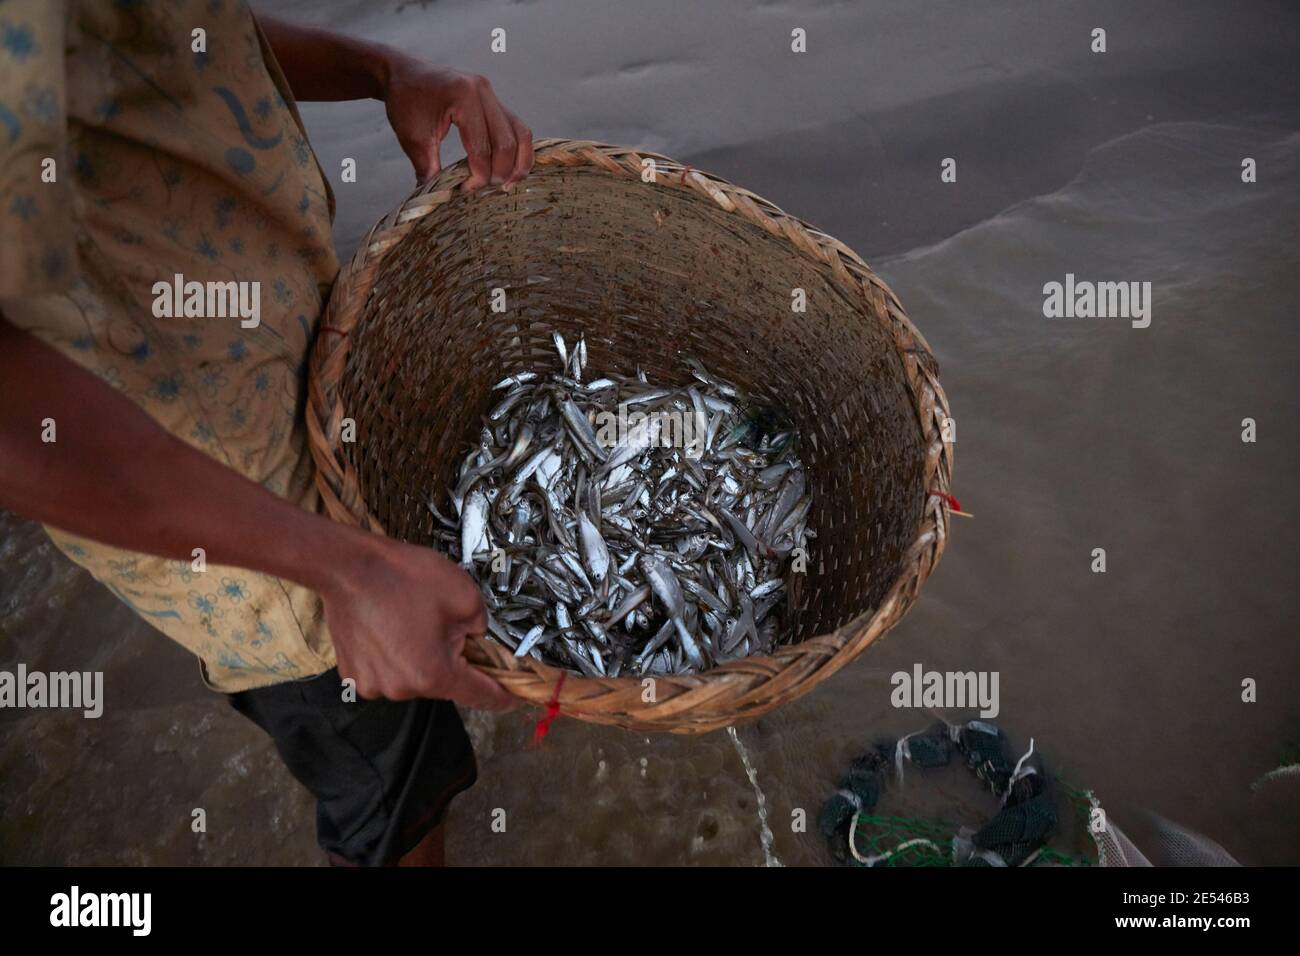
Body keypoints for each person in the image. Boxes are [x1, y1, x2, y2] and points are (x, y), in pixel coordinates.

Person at [0, 0, 532, 866]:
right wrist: (346, 570)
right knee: (392, 790)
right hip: (257, 536)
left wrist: (383, 71)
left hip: (308, 386)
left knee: (406, 734)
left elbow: (161, 29)